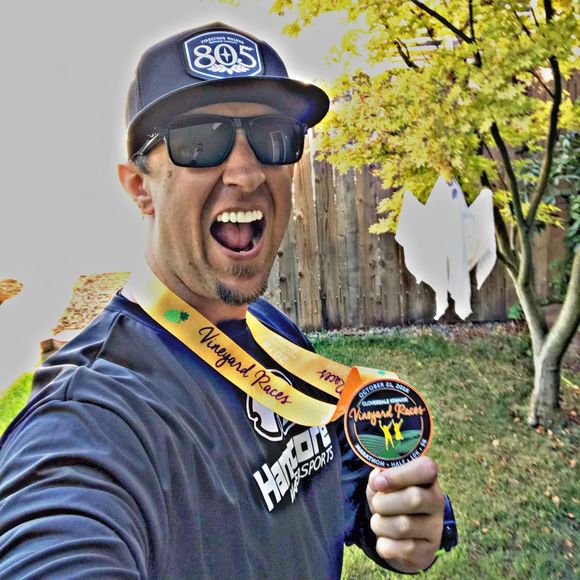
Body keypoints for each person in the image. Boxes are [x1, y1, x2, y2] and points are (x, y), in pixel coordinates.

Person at [0, 22, 457, 578]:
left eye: (273, 136)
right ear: (140, 188)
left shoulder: (275, 334)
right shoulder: (90, 416)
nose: (245, 172)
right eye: (199, 141)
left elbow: (336, 477)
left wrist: (395, 518)